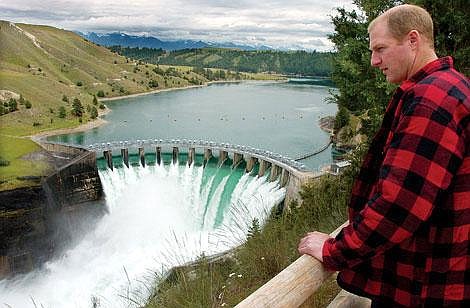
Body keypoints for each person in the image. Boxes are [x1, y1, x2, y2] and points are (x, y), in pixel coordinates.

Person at [298, 4, 469, 307]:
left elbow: (400, 205)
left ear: (413, 40)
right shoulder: (452, 86)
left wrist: (333, 250)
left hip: (424, 285)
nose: (374, 61)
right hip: (434, 274)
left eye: (380, 49)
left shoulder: (431, 100)